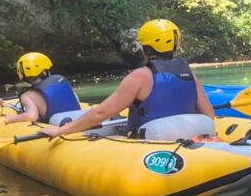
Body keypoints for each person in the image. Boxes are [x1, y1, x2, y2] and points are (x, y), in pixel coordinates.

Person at [37, 19, 215, 139]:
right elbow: (209, 115)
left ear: (145, 48)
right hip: (184, 140)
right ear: (175, 44)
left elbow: (100, 114)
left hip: (147, 143)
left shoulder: (139, 76)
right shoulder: (189, 74)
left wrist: (61, 130)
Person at [4, 51, 83, 124]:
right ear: (45, 70)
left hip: (58, 126)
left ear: (23, 75)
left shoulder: (27, 95)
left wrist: (11, 118)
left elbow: (32, 117)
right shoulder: (61, 79)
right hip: (78, 119)